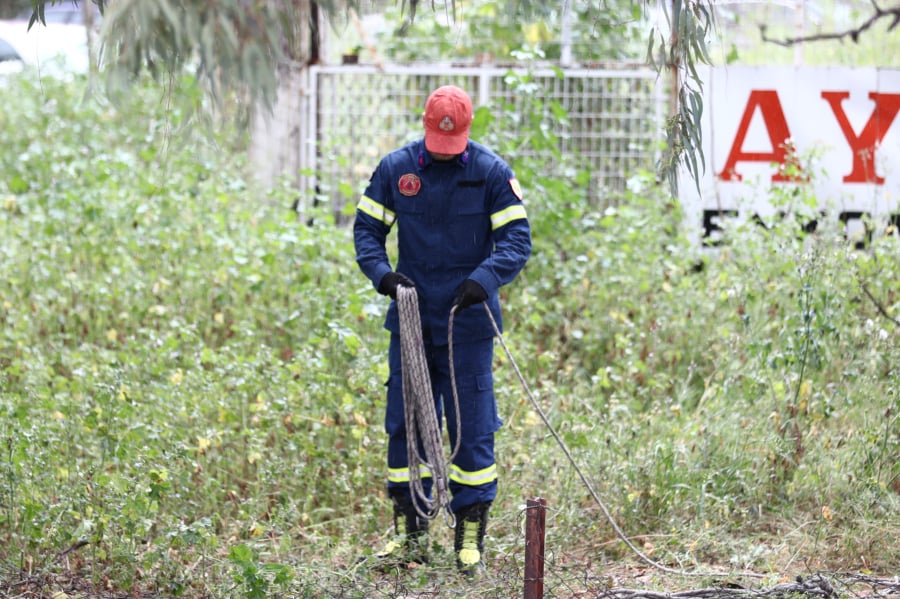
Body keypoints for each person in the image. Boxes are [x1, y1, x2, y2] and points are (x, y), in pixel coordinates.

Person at [353, 85, 532, 574]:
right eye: (437, 141)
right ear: (426, 128)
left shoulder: (492, 174)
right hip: (410, 321)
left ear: (468, 131)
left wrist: (484, 279)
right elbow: (367, 230)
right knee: (404, 424)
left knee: (472, 428)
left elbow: (517, 240)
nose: (444, 150)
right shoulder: (397, 169)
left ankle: (469, 535)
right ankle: (409, 533)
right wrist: (382, 275)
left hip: (468, 323)